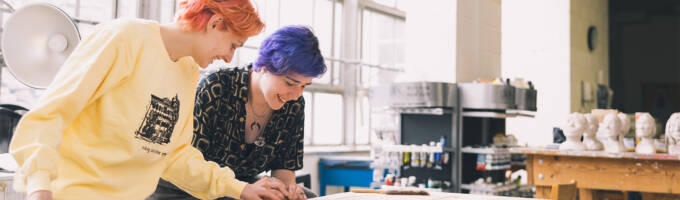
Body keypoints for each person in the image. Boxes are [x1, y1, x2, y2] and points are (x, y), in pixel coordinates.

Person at [9, 0, 291, 199]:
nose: (230, 58)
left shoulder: (187, 70)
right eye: (233, 45)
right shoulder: (123, 38)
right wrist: (39, 187)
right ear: (215, 23)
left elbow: (174, 156)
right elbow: (49, 116)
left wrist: (239, 188)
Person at [148, 25, 326, 200]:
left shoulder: (293, 105)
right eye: (290, 83)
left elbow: (284, 168)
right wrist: (241, 189)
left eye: (304, 86)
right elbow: (189, 167)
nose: (296, 95)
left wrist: (288, 191)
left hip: (240, 186)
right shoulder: (217, 87)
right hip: (188, 188)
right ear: (265, 67)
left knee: (309, 197)